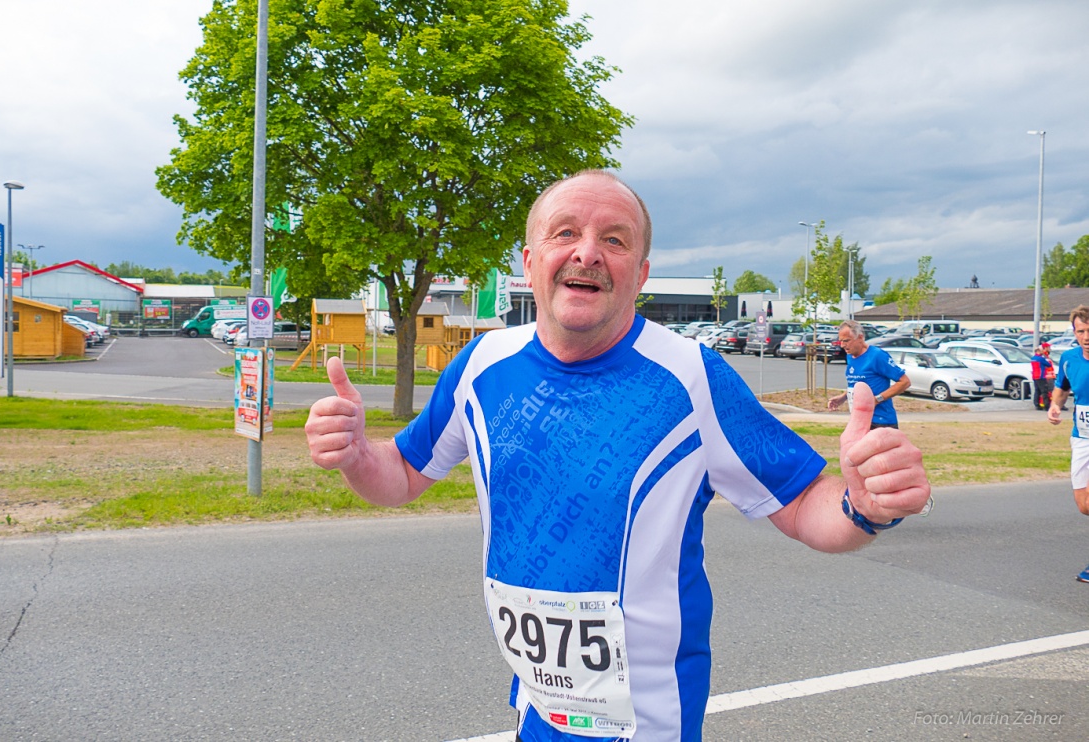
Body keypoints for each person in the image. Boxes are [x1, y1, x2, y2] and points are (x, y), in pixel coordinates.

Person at [305, 170, 931, 741]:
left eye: (615, 239)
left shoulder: (690, 377)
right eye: (566, 233)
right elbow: (406, 473)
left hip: (646, 726)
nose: (587, 252)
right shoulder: (481, 366)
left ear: (641, 274)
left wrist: (865, 505)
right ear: (530, 262)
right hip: (536, 712)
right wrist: (357, 453)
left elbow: (799, 503)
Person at [1047, 306, 1089, 584]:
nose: (1086, 336)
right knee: (1084, 504)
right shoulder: (1069, 358)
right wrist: (1054, 405)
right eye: (1081, 331)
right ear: (1074, 333)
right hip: (1082, 436)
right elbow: (1062, 388)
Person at [827, 320, 911, 429]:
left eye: (846, 341)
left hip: (880, 422)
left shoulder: (877, 356)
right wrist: (843, 397)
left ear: (860, 338)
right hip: (859, 419)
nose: (842, 345)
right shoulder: (850, 356)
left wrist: (877, 400)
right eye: (841, 341)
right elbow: (858, 382)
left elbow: (904, 382)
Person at [1031, 343, 1054, 410]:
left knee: (1037, 391)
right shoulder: (1041, 358)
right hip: (1041, 376)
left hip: (1035, 376)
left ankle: (1037, 404)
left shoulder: (1033, 358)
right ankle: (1046, 406)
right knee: (1044, 391)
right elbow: (1048, 365)